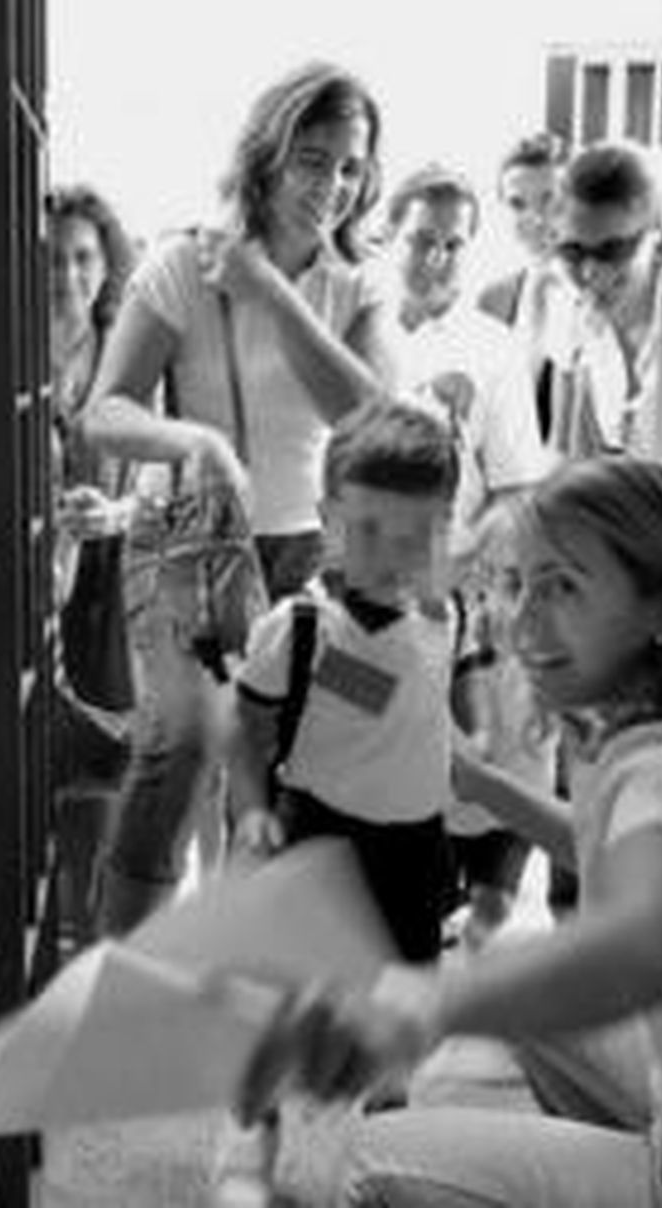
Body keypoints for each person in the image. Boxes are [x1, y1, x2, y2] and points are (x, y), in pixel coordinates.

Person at [237, 455, 662, 1208]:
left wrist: (414, 1001)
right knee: (525, 971)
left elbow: (645, 941)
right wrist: (483, 786)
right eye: (519, 583)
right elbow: (634, 857)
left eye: (564, 586)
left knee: (351, 1165)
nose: (524, 620)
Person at [80, 60, 396, 935]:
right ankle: (124, 977)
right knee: (181, 743)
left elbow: (370, 419)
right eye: (312, 158)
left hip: (308, 555)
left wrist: (269, 289)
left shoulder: (358, 285)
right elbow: (103, 411)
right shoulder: (184, 261)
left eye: (349, 165)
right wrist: (196, 441)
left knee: (299, 765)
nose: (332, 183)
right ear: (267, 154)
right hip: (185, 544)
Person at [213, 403, 463, 1203]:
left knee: (401, 1018)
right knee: (303, 1021)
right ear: (325, 521)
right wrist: (251, 809)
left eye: (417, 535)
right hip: (324, 843)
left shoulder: (443, 614)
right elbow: (245, 729)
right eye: (368, 531)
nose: (395, 557)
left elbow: (412, 705)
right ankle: (252, 1135)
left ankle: (379, 1153)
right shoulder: (301, 629)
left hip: (416, 851)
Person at [380, 161, 558, 951]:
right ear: (391, 232)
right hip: (373, 583)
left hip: (465, 587)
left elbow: (517, 482)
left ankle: (485, 908)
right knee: (380, 734)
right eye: (423, 239)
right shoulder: (363, 326)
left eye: (455, 244)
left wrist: (467, 563)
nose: (438, 258)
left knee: (496, 750)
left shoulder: (494, 349)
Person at [45, 183, 140, 947]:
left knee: (104, 752)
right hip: (27, 568)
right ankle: (42, 926)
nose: (68, 276)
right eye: (50, 260)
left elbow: (172, 469)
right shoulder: (5, 343)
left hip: (112, 572)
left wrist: (118, 514)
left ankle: (90, 928)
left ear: (108, 266)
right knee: (29, 750)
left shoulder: (130, 351)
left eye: (83, 258)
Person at [546, 140, 662, 458]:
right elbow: (563, 451)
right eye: (573, 252)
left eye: (612, 252)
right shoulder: (571, 311)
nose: (590, 272)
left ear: (651, 234)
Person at [477, 131, 573, 444]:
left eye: (550, 200)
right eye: (518, 204)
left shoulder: (603, 295)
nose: (535, 217)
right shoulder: (494, 301)